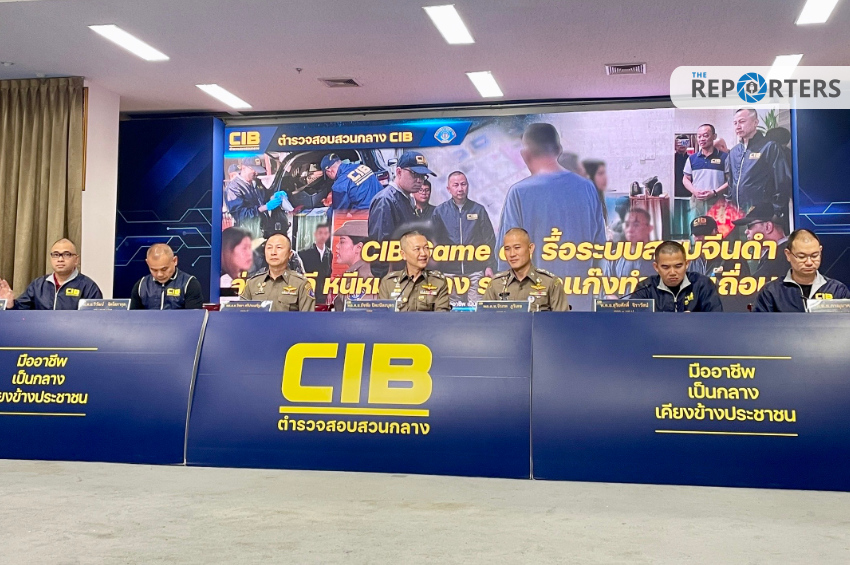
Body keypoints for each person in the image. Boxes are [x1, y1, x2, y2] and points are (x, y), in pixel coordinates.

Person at [496, 123, 605, 310]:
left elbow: (507, 255)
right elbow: (600, 248)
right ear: (559, 150)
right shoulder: (587, 188)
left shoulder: (518, 193)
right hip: (580, 304)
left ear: (525, 155)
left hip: (533, 307)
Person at [432, 171, 497, 305]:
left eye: (463, 184)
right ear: (448, 189)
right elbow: (433, 243)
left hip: (475, 272)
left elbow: (489, 240)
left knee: (477, 311)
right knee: (450, 312)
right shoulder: (440, 212)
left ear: (468, 186)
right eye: (456, 185)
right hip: (449, 274)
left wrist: (489, 266)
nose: (460, 188)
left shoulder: (478, 210)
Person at [368, 151, 436, 278]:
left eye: (423, 176)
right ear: (399, 172)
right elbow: (379, 248)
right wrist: (384, 282)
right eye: (415, 174)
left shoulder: (407, 198)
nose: (419, 181)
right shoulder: (385, 201)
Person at [754, 230, 850, 312]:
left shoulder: (837, 290)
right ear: (788, 254)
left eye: (814, 256)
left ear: (820, 251)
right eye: (801, 257)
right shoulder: (771, 292)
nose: (809, 262)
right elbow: (760, 326)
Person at [724, 108, 792, 219]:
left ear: (755, 122)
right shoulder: (734, 152)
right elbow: (731, 183)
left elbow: (782, 182)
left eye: (742, 121)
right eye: (735, 123)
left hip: (762, 215)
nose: (738, 126)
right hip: (738, 214)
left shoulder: (769, 147)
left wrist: (777, 211)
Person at [0, 239, 102, 310]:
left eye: (66, 254)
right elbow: (20, 314)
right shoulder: (38, 285)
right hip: (41, 335)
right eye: (56, 255)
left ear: (76, 260)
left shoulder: (89, 287)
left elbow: (95, 320)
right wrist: (10, 304)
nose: (60, 259)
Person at [482, 228, 569, 312]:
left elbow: (562, 320)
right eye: (507, 249)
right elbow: (485, 320)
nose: (512, 254)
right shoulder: (495, 284)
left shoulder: (551, 283)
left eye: (517, 248)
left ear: (530, 248)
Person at [631, 241, 723, 312]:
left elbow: (716, 319)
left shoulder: (702, 284)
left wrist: (695, 320)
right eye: (665, 267)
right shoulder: (645, 288)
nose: (672, 272)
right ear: (656, 267)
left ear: (687, 264)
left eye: (678, 266)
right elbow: (633, 322)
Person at [240, 233, 315, 312]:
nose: (273, 252)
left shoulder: (301, 284)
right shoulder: (252, 284)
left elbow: (308, 318)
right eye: (269, 248)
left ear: (290, 254)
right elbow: (241, 315)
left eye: (279, 248)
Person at [378, 231, 450, 312]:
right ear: (403, 254)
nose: (423, 253)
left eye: (426, 248)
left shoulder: (438, 282)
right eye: (417, 249)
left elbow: (442, 317)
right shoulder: (388, 283)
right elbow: (381, 316)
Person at [225, 156, 288, 239]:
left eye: (258, 170)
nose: (257, 173)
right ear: (244, 168)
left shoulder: (256, 182)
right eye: (254, 170)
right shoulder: (233, 188)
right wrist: (264, 208)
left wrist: (274, 196)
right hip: (248, 233)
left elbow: (265, 197)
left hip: (264, 229)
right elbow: (241, 216)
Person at [130, 243, 204, 310]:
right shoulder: (141, 285)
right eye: (154, 270)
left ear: (175, 261)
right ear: (147, 263)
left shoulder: (190, 284)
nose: (159, 274)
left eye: (164, 269)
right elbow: (134, 318)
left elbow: (194, 318)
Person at [682, 124, 728, 221]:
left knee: (717, 229)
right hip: (697, 202)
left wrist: (714, 192)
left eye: (706, 135)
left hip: (717, 202)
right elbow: (686, 178)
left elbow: (731, 180)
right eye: (699, 136)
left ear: (714, 136)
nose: (702, 139)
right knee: (697, 228)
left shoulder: (725, 157)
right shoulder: (692, 158)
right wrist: (694, 191)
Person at [731, 203, 788, 280]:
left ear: (768, 227)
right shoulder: (778, 254)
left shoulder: (782, 257)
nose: (746, 231)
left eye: (749, 226)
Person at [332, 220, 376, 310]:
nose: (337, 246)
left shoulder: (364, 277)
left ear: (358, 247)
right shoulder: (354, 274)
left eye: (342, 242)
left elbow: (359, 312)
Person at [604, 208, 656, 279]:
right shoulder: (614, 257)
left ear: (649, 228)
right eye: (627, 225)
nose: (630, 229)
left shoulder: (659, 258)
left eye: (636, 225)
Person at [298, 224, 332, 304]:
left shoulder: (329, 253)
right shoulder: (304, 253)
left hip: (323, 293)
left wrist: (329, 292)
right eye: (320, 233)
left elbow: (329, 274)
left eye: (325, 233)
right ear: (315, 234)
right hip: (308, 292)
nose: (323, 236)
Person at [582, 159, 609, 229]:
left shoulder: (598, 198)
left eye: (604, 173)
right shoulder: (584, 202)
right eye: (600, 174)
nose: (605, 178)